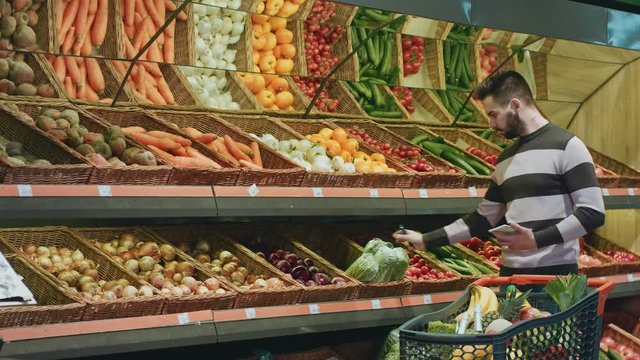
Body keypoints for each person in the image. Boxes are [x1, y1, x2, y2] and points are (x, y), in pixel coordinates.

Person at [393, 70, 605, 277]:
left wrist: (536, 239)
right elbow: (482, 219)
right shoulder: (506, 159)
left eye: (493, 114)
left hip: (556, 280)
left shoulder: (568, 146)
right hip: (510, 278)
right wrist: (426, 240)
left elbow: (592, 213)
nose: (491, 124)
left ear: (515, 105)